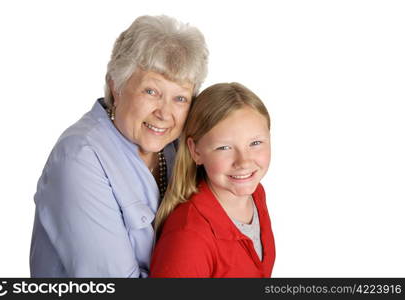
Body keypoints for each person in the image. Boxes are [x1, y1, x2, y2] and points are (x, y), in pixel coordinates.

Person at [30, 15, 208, 277]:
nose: (165, 113)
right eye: (151, 91)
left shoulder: (180, 148)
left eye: (180, 98)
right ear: (117, 86)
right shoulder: (79, 159)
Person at [150, 83, 275, 277]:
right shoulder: (188, 238)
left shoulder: (256, 194)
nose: (244, 162)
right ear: (196, 151)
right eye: (224, 148)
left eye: (255, 143)